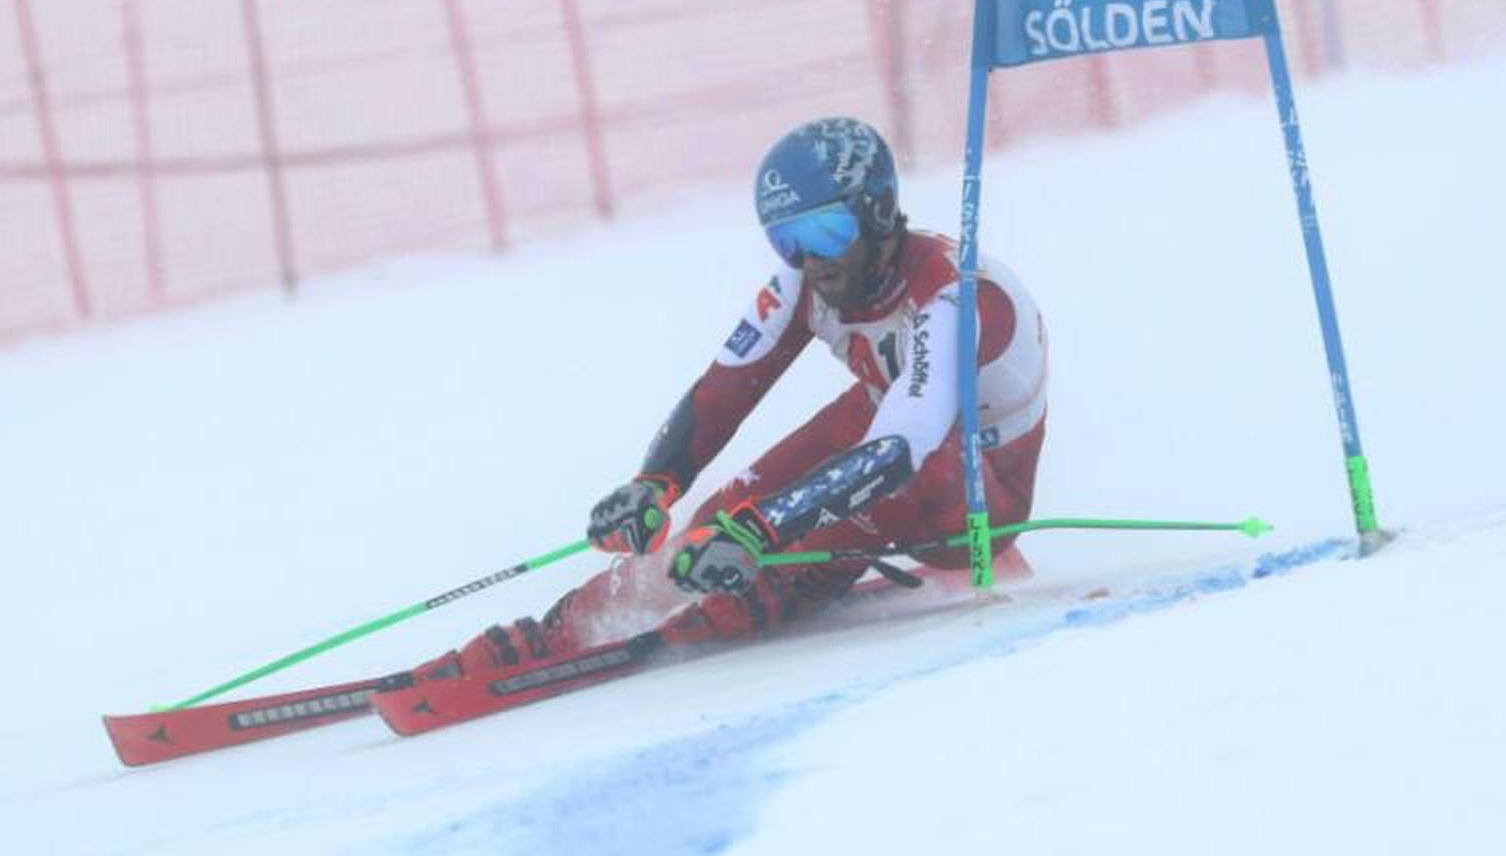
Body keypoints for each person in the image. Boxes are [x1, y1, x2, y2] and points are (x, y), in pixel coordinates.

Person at [423, 117, 1048, 679]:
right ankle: (575, 626)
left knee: (809, 508)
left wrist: (763, 530)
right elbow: (725, 389)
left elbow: (903, 447)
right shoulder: (805, 281)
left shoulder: (951, 295)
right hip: (888, 422)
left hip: (976, 500)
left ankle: (748, 599)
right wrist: (655, 484)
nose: (811, 260)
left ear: (878, 212)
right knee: (716, 521)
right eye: (787, 240)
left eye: (826, 231)